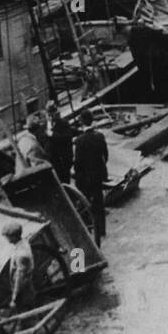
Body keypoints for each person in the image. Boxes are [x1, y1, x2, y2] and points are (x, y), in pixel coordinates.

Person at [0, 222, 39, 334]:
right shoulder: (22, 244)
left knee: (27, 324)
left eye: (8, 236)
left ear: (14, 236)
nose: (6, 239)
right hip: (25, 290)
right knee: (24, 321)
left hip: (25, 293)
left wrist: (14, 298)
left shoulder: (22, 255)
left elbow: (19, 279)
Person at [73, 112, 109, 245]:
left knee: (85, 203)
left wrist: (77, 175)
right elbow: (105, 155)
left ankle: (88, 229)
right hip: (98, 175)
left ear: (82, 123)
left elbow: (78, 163)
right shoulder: (99, 136)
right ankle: (101, 229)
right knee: (99, 201)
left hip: (85, 178)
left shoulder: (79, 141)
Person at [46, 104, 75, 183]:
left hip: (64, 158)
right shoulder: (47, 126)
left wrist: (53, 134)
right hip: (54, 159)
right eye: (50, 115)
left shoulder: (64, 123)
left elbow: (67, 137)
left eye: (54, 114)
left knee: (65, 179)